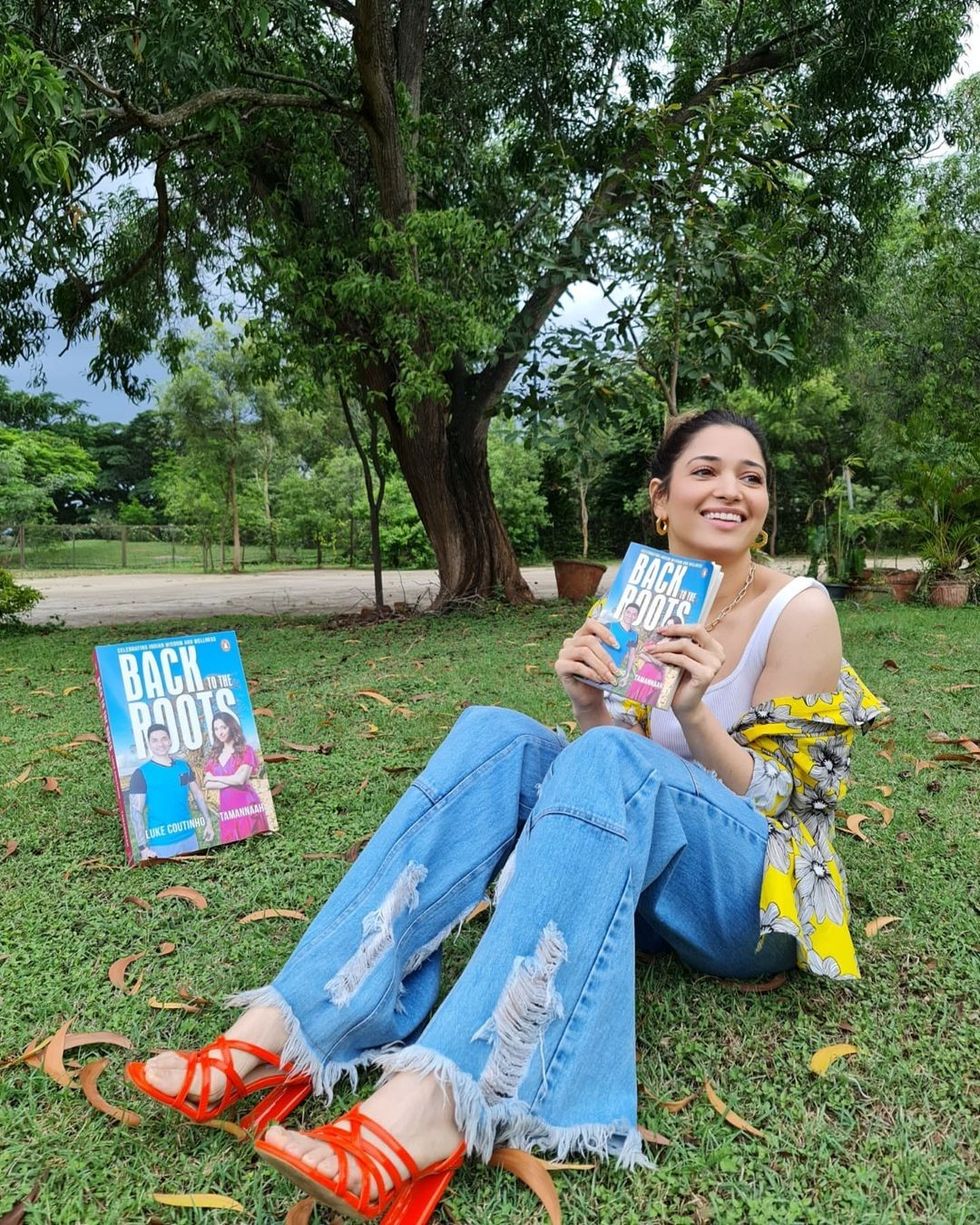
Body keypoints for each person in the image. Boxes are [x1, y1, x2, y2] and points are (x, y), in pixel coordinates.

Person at [126, 409, 885, 1222]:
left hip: (753, 897)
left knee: (623, 764)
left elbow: (798, 807)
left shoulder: (797, 609)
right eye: (706, 471)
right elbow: (608, 771)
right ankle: (295, 1020)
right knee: (497, 731)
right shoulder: (641, 600)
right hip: (648, 888)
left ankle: (437, 1100)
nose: (731, 489)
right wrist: (590, 702)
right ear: (661, 499)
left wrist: (697, 713)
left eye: (752, 475)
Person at [127, 723, 215, 859]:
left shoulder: (183, 766)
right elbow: (136, 811)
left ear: (170, 741)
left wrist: (208, 822)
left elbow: (197, 794)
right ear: (149, 744)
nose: (160, 744)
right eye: (154, 740)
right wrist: (143, 847)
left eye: (164, 738)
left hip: (189, 836)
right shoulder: (141, 773)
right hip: (161, 843)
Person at [202, 711, 269, 842]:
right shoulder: (214, 756)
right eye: (216, 729)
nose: (220, 732)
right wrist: (233, 779)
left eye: (223, 727)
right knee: (232, 844)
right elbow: (206, 783)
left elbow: (241, 780)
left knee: (255, 843)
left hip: (246, 804)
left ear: (231, 727)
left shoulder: (245, 750)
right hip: (227, 808)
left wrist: (215, 778)